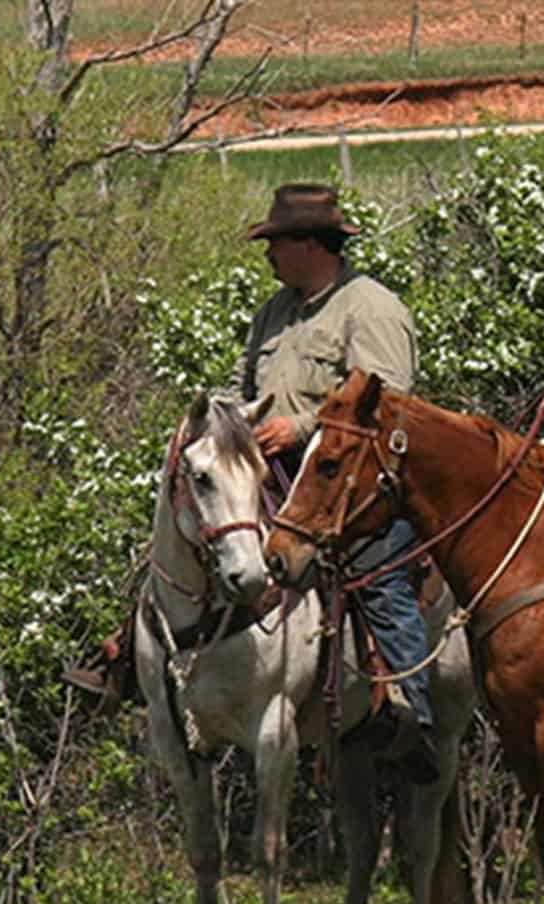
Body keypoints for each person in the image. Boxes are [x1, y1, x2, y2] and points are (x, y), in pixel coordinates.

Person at [67, 183, 440, 779]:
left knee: (380, 573)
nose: (266, 255)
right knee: (190, 536)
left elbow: (386, 404)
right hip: (276, 472)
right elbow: (250, 394)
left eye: (275, 243)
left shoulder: (371, 308)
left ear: (311, 245)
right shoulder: (275, 310)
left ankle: (410, 713)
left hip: (347, 481)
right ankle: (129, 657)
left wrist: (302, 427)